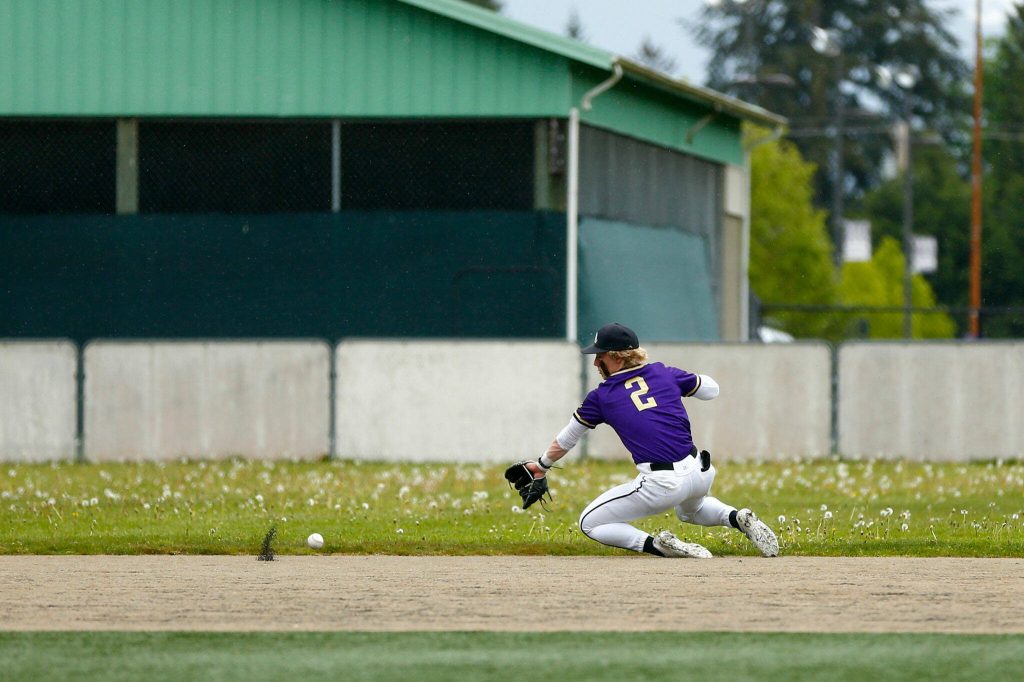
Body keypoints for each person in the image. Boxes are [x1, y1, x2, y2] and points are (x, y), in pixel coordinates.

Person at [525, 322, 779, 558]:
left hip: (662, 483)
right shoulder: (662, 373)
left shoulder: (601, 396)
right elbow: (712, 390)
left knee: (589, 522)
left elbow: (568, 437)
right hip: (699, 471)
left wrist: (542, 465)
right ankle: (738, 517)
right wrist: (682, 380)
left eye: (599, 356)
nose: (595, 364)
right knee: (692, 511)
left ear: (615, 357)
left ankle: (658, 545)